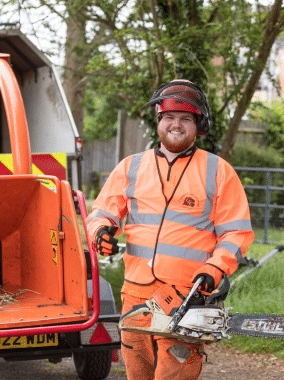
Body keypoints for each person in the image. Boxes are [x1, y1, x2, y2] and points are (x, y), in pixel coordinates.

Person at [86, 79, 254, 380]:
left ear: (197, 124)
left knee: (174, 373)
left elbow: (236, 233)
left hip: (185, 294)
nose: (176, 124)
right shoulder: (131, 167)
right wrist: (101, 231)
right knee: (137, 372)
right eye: (170, 117)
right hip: (135, 294)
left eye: (185, 119)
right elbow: (102, 212)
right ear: (159, 120)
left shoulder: (218, 171)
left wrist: (214, 269)